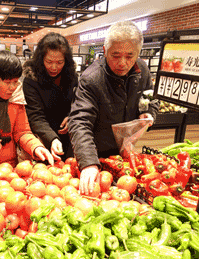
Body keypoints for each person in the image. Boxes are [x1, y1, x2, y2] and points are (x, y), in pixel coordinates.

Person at [68, 21, 159, 195]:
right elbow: (80, 121)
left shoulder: (143, 71)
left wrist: (148, 112)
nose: (123, 63)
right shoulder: (91, 79)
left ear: (139, 53)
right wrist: (88, 162)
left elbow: (151, 97)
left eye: (130, 56)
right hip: (97, 152)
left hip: (125, 154)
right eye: (115, 55)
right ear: (104, 50)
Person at [22, 32, 78, 161]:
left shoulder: (71, 76)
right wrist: (52, 138)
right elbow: (35, 116)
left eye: (59, 62)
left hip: (69, 137)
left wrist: (72, 116)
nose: (54, 67)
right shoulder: (32, 79)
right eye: (49, 61)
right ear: (41, 59)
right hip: (43, 137)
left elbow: (79, 103)